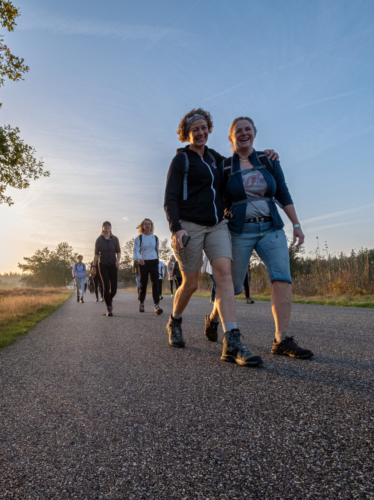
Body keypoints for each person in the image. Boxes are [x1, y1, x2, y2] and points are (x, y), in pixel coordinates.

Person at [164, 108, 278, 366]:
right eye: (195, 130)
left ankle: (232, 340)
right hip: (189, 227)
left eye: (204, 128)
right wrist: (176, 228)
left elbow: (241, 161)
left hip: (217, 225)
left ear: (209, 129)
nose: (201, 133)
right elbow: (170, 198)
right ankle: (175, 321)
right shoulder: (181, 161)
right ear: (187, 134)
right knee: (190, 284)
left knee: (224, 275)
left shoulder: (216, 158)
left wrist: (266, 156)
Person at [220, 116, 313, 359]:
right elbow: (217, 200)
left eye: (247, 129)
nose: (243, 133)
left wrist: (297, 224)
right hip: (239, 232)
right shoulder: (225, 166)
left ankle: (282, 339)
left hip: (271, 229)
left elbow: (282, 191)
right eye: (237, 130)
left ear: (254, 133)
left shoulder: (267, 160)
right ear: (231, 137)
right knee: (234, 286)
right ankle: (215, 318)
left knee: (282, 277)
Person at [133, 218, 163, 315]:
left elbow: (157, 250)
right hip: (143, 262)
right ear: (143, 226)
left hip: (154, 261)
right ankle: (141, 302)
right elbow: (136, 250)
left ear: (151, 226)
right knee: (143, 283)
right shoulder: (139, 238)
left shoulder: (155, 238)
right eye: (145, 224)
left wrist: (157, 260)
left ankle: (156, 305)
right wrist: (139, 258)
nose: (147, 226)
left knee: (155, 283)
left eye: (149, 224)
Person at [93, 221, 121, 316]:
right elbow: (96, 254)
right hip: (103, 265)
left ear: (111, 228)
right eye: (105, 226)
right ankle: (109, 308)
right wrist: (94, 266)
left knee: (114, 289)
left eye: (109, 225)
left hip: (113, 265)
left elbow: (118, 252)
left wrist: (118, 260)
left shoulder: (115, 239)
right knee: (105, 286)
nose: (107, 227)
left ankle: (108, 298)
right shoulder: (99, 240)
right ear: (103, 228)